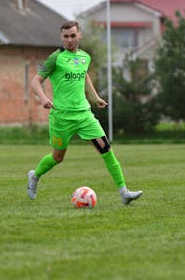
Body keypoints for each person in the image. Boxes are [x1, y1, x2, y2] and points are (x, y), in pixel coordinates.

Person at [27, 20, 142, 205]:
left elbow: (84, 75)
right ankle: (35, 176)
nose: (70, 40)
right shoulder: (55, 58)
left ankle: (124, 193)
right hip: (61, 117)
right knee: (57, 157)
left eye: (73, 35)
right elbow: (35, 82)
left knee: (106, 150)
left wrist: (95, 97)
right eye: (66, 36)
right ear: (61, 37)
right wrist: (43, 98)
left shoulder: (85, 57)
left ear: (79, 35)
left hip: (84, 115)